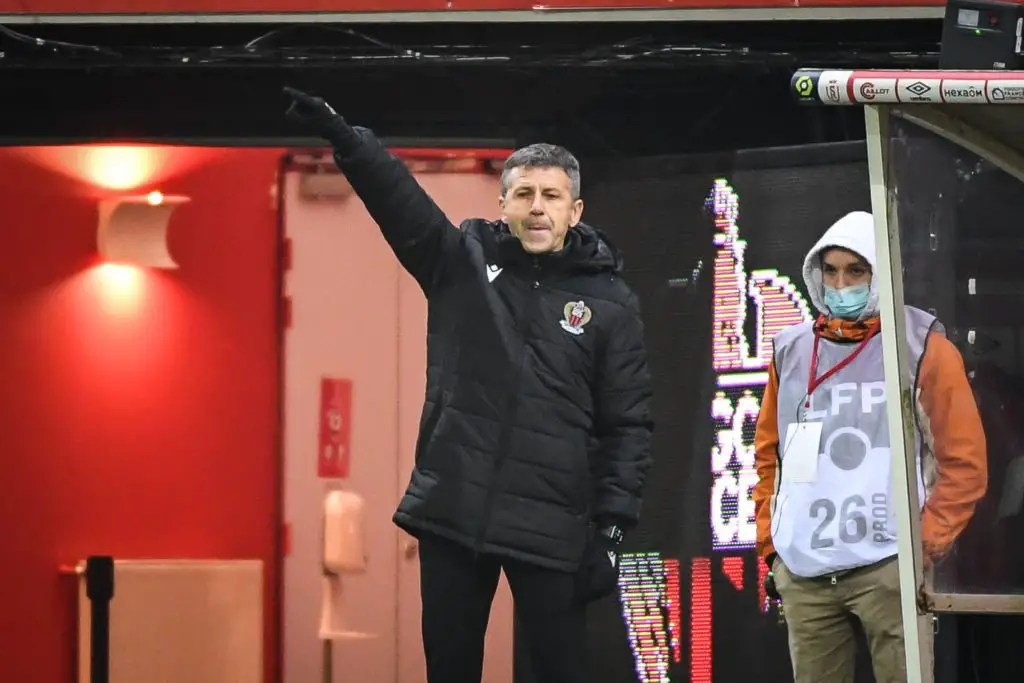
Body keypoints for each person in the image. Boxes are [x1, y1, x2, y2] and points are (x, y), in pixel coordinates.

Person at [283, 87, 654, 683]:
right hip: (455, 512)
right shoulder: (461, 262)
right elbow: (400, 202)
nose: (537, 208)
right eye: (524, 194)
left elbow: (628, 427)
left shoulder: (611, 303)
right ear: (502, 203)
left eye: (552, 196)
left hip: (550, 526)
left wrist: (610, 531)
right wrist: (346, 138)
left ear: (575, 210)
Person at [752, 210, 987, 683]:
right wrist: (772, 546)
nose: (841, 284)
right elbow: (769, 455)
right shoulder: (791, 350)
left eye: (856, 271)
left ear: (879, 272)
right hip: (805, 570)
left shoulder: (921, 346)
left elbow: (964, 462)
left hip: (888, 565)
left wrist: (922, 546)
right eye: (830, 271)